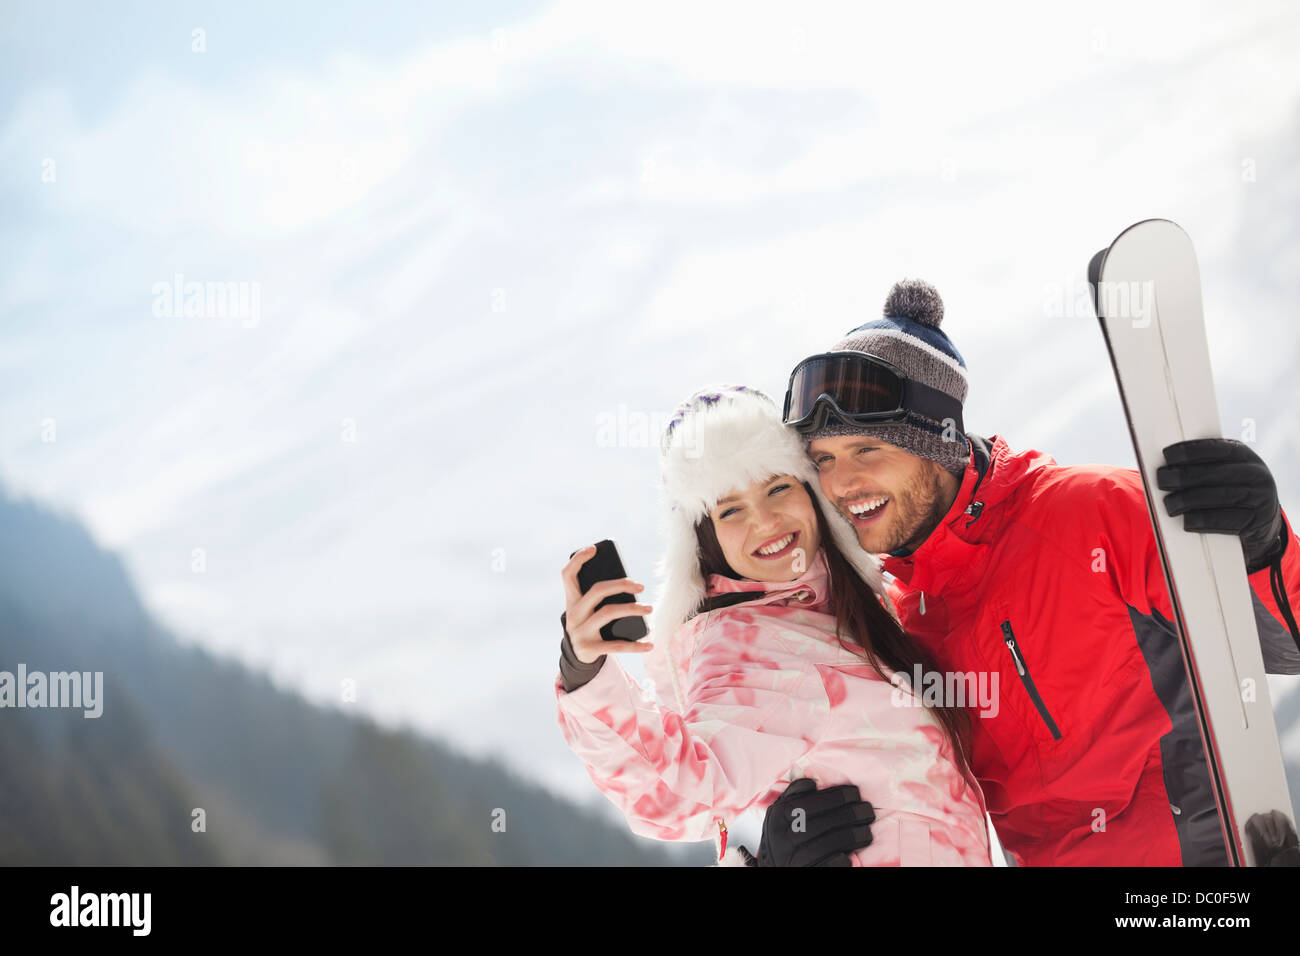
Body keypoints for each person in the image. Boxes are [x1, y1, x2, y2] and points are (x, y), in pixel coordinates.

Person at [746, 278, 1300, 867]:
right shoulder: (892, 619)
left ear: (939, 444)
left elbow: (1285, 648)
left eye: (868, 451)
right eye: (824, 461)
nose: (840, 485)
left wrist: (1265, 546)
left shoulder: (1093, 514)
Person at [554, 384, 993, 865]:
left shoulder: (846, 604)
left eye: (778, 487)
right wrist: (587, 674)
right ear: (708, 539)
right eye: (731, 510)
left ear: (811, 494)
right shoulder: (750, 651)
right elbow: (675, 792)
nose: (765, 521)